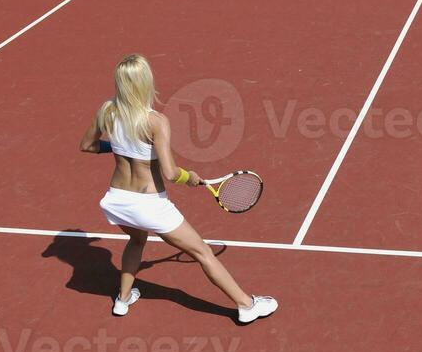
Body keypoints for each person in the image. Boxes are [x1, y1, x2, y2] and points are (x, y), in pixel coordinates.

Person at [80, 53, 277, 324]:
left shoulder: (107, 111)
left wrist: (115, 146)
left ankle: (123, 300)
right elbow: (171, 173)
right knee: (203, 253)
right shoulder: (156, 121)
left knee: (137, 240)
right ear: (145, 83)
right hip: (149, 205)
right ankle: (246, 305)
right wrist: (190, 177)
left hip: (116, 201)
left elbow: (88, 146)